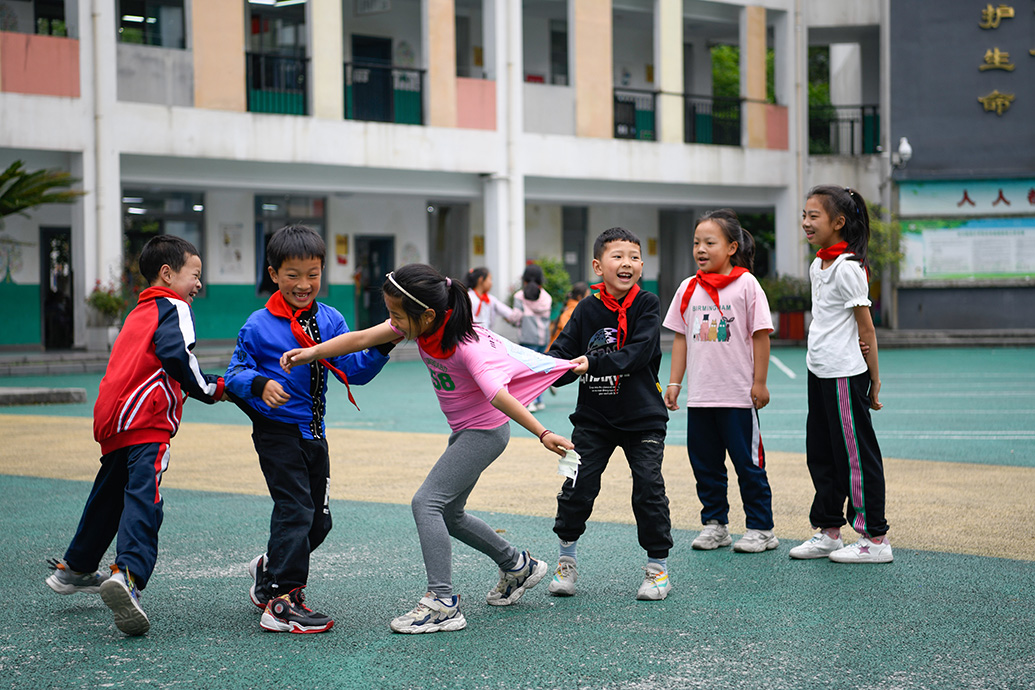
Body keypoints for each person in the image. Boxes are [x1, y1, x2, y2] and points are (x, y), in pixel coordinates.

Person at [281, 263, 584, 634]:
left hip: (483, 434)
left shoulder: (467, 346)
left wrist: (542, 432)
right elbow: (361, 338)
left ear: (426, 315)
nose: (392, 322)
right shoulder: (418, 325)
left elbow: (497, 394)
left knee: (426, 503)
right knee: (450, 514)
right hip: (466, 431)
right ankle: (517, 565)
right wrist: (311, 352)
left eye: (396, 315)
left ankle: (442, 603)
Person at [45, 235, 226, 636]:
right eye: (194, 275)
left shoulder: (136, 313)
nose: (198, 284)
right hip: (145, 419)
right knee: (145, 495)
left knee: (110, 495)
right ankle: (127, 574)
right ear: (168, 274)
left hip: (112, 418)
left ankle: (75, 567)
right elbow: (178, 356)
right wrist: (213, 388)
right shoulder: (173, 306)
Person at [224, 224, 394, 634]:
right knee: (296, 510)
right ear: (273, 274)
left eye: (313, 274)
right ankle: (282, 602)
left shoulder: (331, 319)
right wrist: (261, 384)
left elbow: (354, 370)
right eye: (293, 275)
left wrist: (385, 343)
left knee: (318, 522)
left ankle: (269, 569)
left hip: (314, 434)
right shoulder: (258, 325)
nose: (304, 284)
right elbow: (233, 375)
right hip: (276, 433)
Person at [545, 227, 673, 600]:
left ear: (641, 266)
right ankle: (566, 562)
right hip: (593, 419)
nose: (627, 263)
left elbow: (639, 352)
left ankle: (657, 569)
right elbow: (563, 352)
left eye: (634, 257)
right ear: (598, 266)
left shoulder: (647, 304)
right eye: (618, 256)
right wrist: (540, 369)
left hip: (643, 417)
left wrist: (590, 365)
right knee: (576, 486)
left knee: (649, 488)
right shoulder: (586, 308)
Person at [662, 209, 778, 554]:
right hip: (701, 397)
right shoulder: (688, 288)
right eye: (697, 242)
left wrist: (760, 382)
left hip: (739, 397)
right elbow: (681, 338)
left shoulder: (747, 285)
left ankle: (761, 528)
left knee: (749, 465)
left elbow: (760, 336)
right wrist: (674, 383)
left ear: (731, 247)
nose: (700, 248)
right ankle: (715, 525)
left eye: (709, 242)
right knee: (706, 465)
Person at [790, 185, 891, 564]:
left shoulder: (849, 268)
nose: (805, 223)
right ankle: (829, 530)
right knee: (822, 452)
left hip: (846, 375)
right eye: (804, 215)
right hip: (819, 370)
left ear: (838, 222)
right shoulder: (820, 264)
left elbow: (866, 330)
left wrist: (874, 379)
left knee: (855, 455)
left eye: (813, 216)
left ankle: (875, 538)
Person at [513, 263, 552, 412]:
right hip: (543, 338)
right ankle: (539, 400)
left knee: (527, 371)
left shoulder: (519, 296)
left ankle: (530, 401)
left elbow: (516, 317)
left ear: (524, 279)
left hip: (527, 339)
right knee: (539, 370)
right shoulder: (546, 297)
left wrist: (511, 319)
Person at [466, 266, 520, 332]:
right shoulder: (468, 298)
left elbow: (508, 313)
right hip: (473, 336)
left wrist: (515, 317)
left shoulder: (490, 299)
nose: (491, 283)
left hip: (487, 337)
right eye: (490, 279)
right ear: (481, 279)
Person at [548, 281, 590, 350]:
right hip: (560, 351)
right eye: (587, 296)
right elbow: (569, 333)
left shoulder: (570, 307)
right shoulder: (574, 310)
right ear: (579, 297)